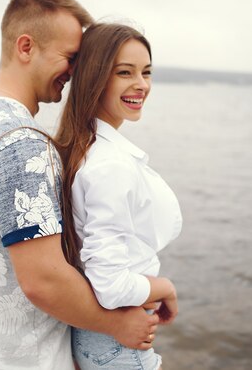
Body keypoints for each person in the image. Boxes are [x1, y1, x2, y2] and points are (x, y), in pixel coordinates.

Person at [0, 0, 159, 370]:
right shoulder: (21, 145)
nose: (76, 72)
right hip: (20, 359)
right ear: (26, 48)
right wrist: (116, 323)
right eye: (70, 57)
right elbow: (43, 280)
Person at [55, 23, 183, 370]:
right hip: (117, 341)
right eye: (125, 72)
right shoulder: (109, 165)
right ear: (95, 78)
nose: (141, 84)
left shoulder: (84, 149)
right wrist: (165, 288)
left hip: (98, 337)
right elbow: (109, 285)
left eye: (146, 72)